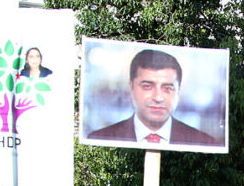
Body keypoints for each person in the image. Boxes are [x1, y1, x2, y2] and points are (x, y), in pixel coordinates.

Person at [87, 49, 219, 146]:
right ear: (131, 86)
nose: (158, 97)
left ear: (179, 90)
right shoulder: (100, 138)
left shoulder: (204, 142)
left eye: (167, 88)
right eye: (147, 86)